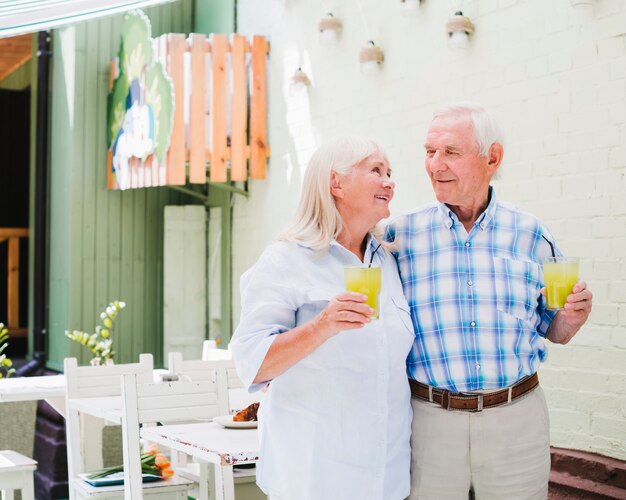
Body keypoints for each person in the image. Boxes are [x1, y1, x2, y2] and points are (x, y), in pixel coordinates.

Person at [388, 103, 593, 500]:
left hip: (516, 422)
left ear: (492, 158)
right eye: (429, 152)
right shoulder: (398, 236)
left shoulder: (532, 234)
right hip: (429, 423)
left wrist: (573, 317)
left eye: (450, 152)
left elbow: (556, 329)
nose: (435, 165)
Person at [231, 136, 414, 500]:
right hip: (315, 475)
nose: (389, 181)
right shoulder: (286, 259)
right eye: (376, 170)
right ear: (336, 183)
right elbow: (252, 362)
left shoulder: (388, 258)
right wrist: (322, 326)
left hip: (386, 475)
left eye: (390, 172)